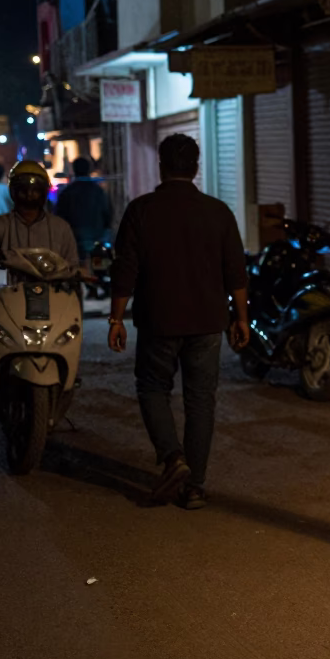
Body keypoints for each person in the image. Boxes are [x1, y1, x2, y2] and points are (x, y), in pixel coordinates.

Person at [107, 134, 250, 510]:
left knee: (153, 388)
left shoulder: (141, 210)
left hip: (159, 320)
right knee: (201, 400)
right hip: (207, 322)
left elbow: (125, 270)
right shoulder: (218, 212)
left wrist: (116, 318)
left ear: (162, 165)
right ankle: (196, 488)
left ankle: (174, 458)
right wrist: (242, 318)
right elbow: (236, 271)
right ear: (196, 167)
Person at [0, 161, 78, 265]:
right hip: (11, 281)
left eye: (35, 190)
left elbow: (72, 266)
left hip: (51, 281)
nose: (29, 195)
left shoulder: (61, 228)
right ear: (14, 192)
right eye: (23, 190)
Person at [55, 157, 113, 267]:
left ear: (73, 170)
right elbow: (108, 214)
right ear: (89, 170)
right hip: (97, 242)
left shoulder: (67, 193)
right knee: (100, 271)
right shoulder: (98, 192)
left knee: (75, 273)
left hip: (74, 243)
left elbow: (59, 218)